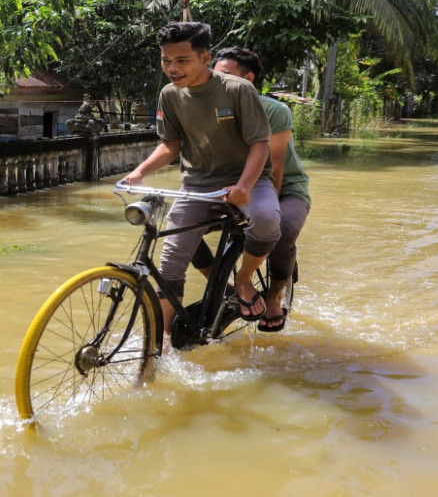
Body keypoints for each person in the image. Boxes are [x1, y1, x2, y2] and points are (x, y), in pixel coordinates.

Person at [123, 22, 281, 335]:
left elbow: (259, 146)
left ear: (204, 57)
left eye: (182, 60)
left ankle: (245, 278)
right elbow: (171, 145)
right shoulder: (169, 95)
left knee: (265, 220)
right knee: (169, 262)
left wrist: (244, 187)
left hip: (246, 181)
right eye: (166, 60)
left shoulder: (238, 89)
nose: (172, 68)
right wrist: (140, 172)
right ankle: (161, 346)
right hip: (197, 185)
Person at [191, 47, 311, 332]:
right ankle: (225, 284)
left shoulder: (274, 110)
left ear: (249, 79)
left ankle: (274, 294)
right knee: (181, 223)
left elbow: (276, 170)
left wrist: (263, 207)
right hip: (231, 186)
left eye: (226, 76)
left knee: (282, 228)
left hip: (283, 188)